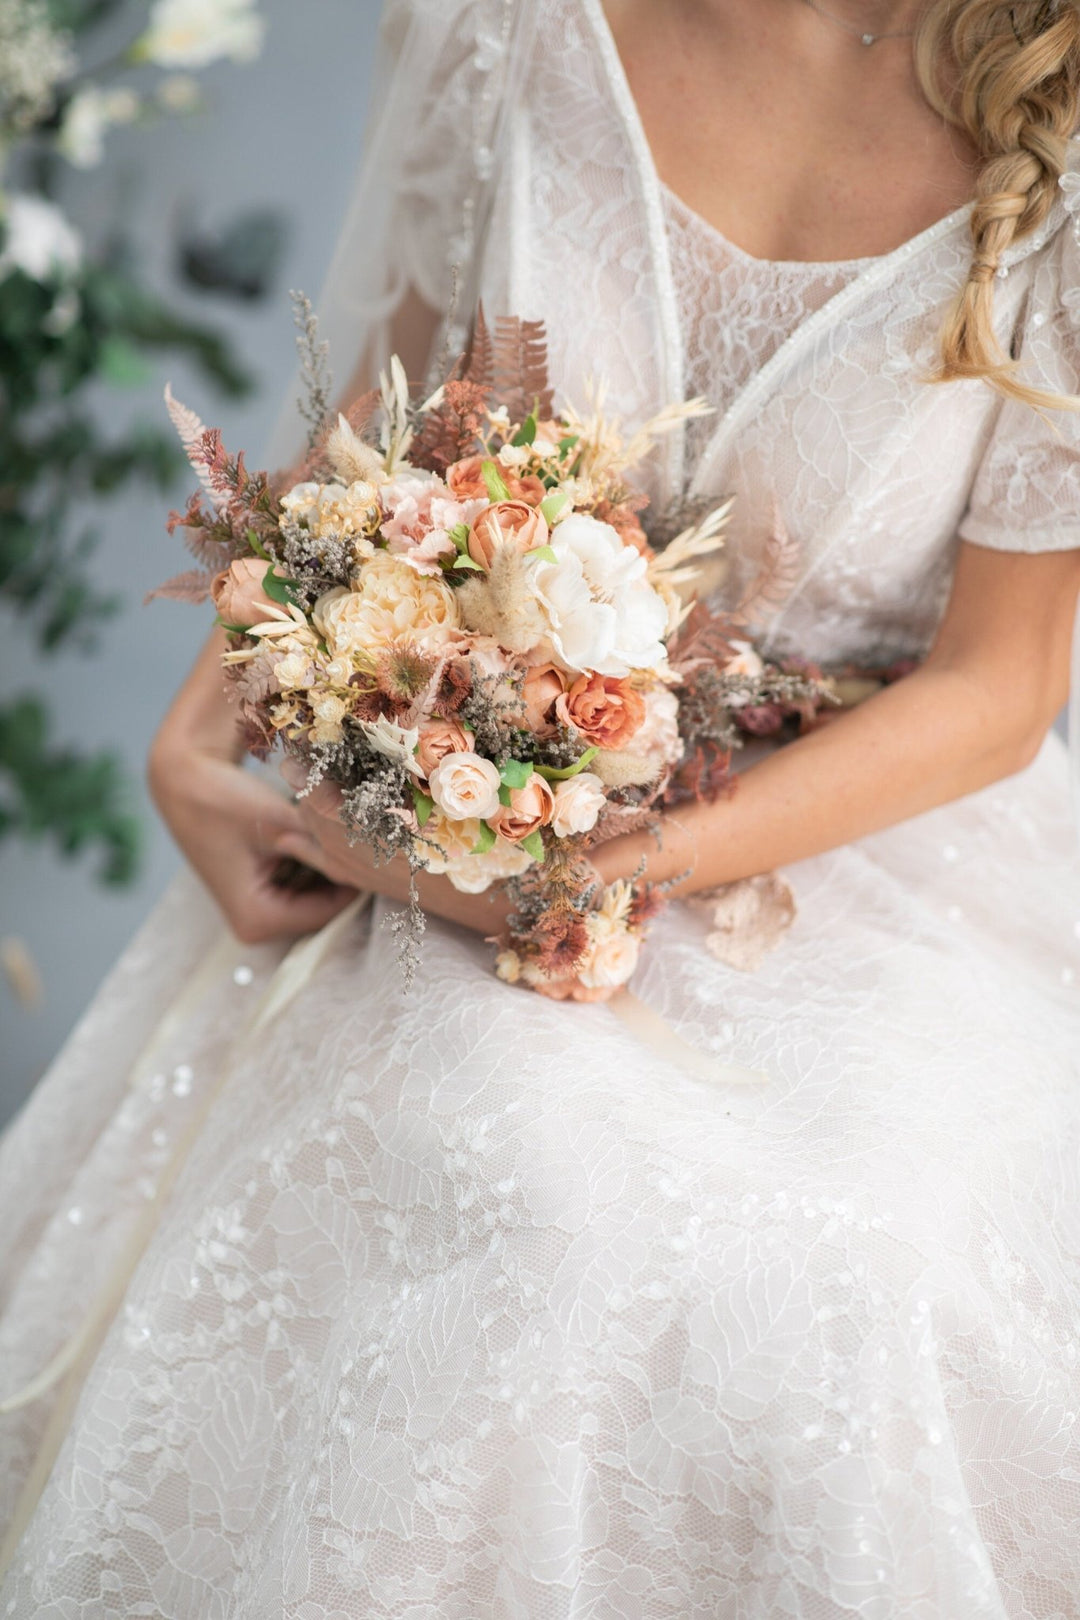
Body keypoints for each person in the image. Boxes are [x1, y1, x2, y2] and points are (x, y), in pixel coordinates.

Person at [2, 0, 1080, 1612]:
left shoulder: (1055, 133)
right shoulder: (502, 21)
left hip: (862, 847)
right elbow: (372, 420)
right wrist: (194, 736)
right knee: (525, 1192)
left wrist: (621, 866)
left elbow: (1002, 686)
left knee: (850, 1286)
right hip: (453, 785)